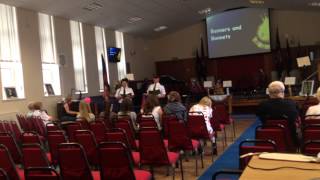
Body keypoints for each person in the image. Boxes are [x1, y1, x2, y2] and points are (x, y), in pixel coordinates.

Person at [256, 81, 299, 146]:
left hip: (268, 139)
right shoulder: (292, 103)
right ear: (283, 92)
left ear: (269, 93)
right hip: (290, 139)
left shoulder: (262, 105)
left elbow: (260, 116)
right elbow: (296, 117)